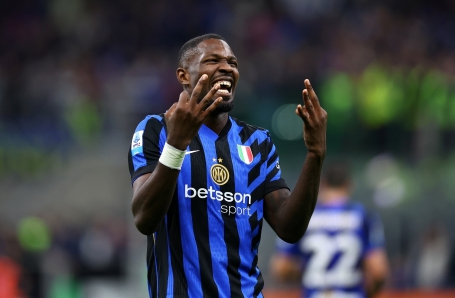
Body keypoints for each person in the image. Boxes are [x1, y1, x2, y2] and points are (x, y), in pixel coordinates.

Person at [128, 33, 327, 298]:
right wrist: (176, 144)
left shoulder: (258, 142)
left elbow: (289, 228)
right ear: (183, 75)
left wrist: (315, 155)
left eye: (232, 63)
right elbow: (145, 219)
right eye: (212, 60)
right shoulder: (156, 130)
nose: (227, 68)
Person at [270, 163, 389, 298]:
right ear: (349, 185)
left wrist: (307, 269)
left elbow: (281, 268)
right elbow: (378, 271)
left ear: (323, 184)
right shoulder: (364, 216)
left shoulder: (303, 216)